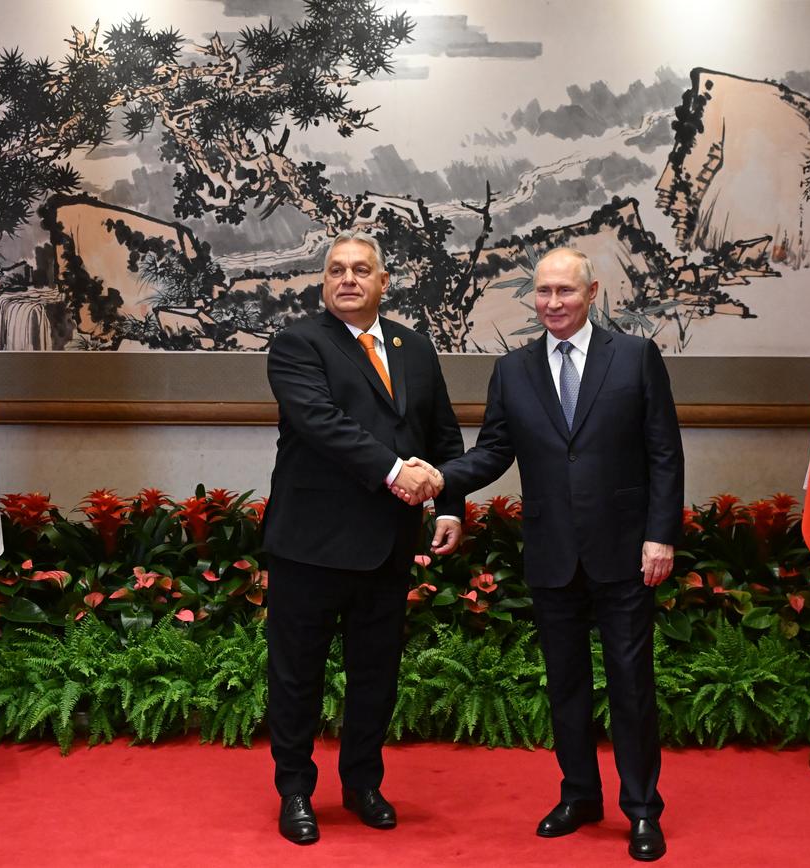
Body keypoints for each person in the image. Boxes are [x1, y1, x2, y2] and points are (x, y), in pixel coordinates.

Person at [398, 247, 682, 861]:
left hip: (625, 552)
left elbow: (665, 452)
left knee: (631, 684)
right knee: (565, 685)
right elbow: (493, 452)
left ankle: (641, 809)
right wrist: (440, 479)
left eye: (565, 291)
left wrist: (662, 535)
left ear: (592, 292)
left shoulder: (634, 357)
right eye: (543, 292)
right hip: (553, 553)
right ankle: (579, 794)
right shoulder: (514, 369)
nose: (553, 303)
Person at [262, 230, 464, 845]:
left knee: (375, 672)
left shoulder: (415, 346)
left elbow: (444, 435)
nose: (347, 279)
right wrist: (396, 471)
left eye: (360, 270)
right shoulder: (298, 343)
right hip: (310, 545)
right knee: (297, 675)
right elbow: (322, 424)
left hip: (387, 544)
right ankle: (296, 791)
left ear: (383, 281)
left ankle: (362, 785)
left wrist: (449, 505)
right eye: (335, 270)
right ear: (324, 283)